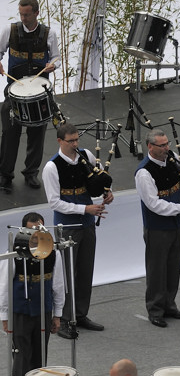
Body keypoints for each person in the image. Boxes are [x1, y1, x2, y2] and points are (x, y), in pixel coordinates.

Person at [42, 122, 111, 337]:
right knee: (65, 274)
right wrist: (85, 208)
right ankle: (62, 319)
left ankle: (80, 313)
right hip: (67, 226)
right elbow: (55, 203)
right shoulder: (52, 167)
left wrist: (107, 193)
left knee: (85, 269)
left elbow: (97, 181)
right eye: (70, 141)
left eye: (76, 140)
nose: (75, 144)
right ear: (60, 141)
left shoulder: (86, 155)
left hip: (87, 222)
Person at [135, 130, 180, 328]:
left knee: (172, 267)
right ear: (150, 147)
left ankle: (169, 305)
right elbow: (154, 205)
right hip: (157, 228)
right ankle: (155, 309)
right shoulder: (144, 173)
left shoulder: (171, 160)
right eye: (162, 146)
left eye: (167, 144)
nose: (166, 149)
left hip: (176, 224)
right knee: (157, 270)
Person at [0, 0, 60, 193]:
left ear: (36, 13)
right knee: (10, 133)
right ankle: (5, 174)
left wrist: (53, 65)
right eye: (21, 14)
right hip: (14, 90)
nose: (23, 18)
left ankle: (31, 172)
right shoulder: (10, 30)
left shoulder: (48, 34)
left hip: (39, 92)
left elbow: (56, 56)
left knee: (37, 133)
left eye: (26, 14)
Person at [0, 212, 63, 376]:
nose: (36, 236)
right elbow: (4, 286)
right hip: (20, 311)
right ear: (23, 232)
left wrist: (57, 315)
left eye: (39, 230)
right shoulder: (13, 253)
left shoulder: (54, 252)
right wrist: (5, 316)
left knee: (40, 355)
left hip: (43, 311)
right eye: (31, 232)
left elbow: (58, 285)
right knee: (21, 355)